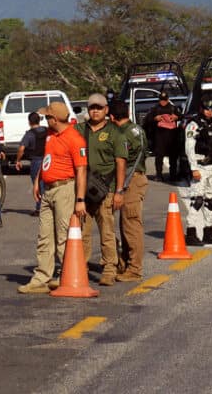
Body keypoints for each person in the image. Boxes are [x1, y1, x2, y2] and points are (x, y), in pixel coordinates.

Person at [17, 102, 88, 294]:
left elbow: (81, 170)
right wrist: (38, 180)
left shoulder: (74, 139)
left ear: (54, 119)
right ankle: (42, 277)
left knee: (63, 236)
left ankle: (67, 274)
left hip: (65, 189)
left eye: (47, 117)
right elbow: (47, 158)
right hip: (48, 189)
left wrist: (80, 199)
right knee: (44, 236)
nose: (44, 120)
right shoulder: (50, 135)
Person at [77, 93, 127, 287]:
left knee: (107, 232)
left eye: (99, 107)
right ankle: (81, 266)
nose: (95, 111)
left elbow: (120, 163)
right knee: (82, 232)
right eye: (92, 108)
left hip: (106, 189)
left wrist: (119, 191)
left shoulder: (115, 132)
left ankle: (109, 269)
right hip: (83, 190)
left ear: (107, 110)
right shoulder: (80, 129)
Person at [108, 101, 148, 281]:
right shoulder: (137, 130)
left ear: (111, 117)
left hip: (130, 180)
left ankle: (134, 268)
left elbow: (122, 160)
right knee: (126, 224)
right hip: (137, 178)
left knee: (131, 225)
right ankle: (125, 263)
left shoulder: (122, 134)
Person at [182, 97, 212, 247]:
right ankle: (191, 233)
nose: (210, 112)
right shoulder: (194, 125)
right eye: (207, 109)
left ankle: (208, 233)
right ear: (202, 109)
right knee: (197, 200)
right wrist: (193, 168)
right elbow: (189, 147)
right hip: (200, 165)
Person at [15, 112, 48, 217]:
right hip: (48, 160)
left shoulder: (30, 134)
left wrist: (18, 160)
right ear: (39, 120)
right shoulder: (47, 131)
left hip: (36, 161)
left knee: (37, 184)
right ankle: (48, 206)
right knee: (47, 185)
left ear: (29, 122)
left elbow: (21, 148)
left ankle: (40, 208)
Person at [144, 93, 182, 181]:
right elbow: (147, 120)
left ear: (168, 99)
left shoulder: (173, 108)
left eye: (164, 100)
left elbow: (181, 116)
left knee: (173, 157)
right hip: (159, 136)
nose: (163, 102)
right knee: (159, 157)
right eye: (161, 100)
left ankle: (173, 175)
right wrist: (155, 118)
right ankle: (159, 175)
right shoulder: (155, 109)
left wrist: (176, 117)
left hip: (172, 136)